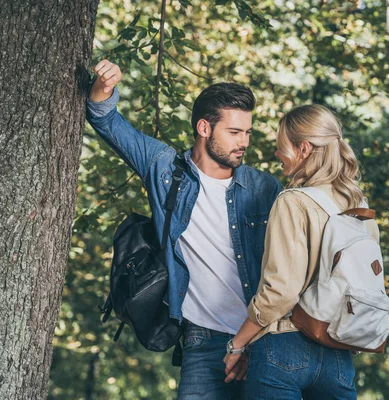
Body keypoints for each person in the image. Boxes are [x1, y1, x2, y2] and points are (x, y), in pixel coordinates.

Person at [87, 60, 283, 399]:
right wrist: (105, 89)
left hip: (264, 340)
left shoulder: (265, 188)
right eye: (234, 133)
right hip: (201, 341)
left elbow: (288, 269)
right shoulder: (164, 168)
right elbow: (106, 120)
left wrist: (253, 341)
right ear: (204, 128)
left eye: (247, 132)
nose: (244, 143)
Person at [223, 104, 363, 399]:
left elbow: (280, 293)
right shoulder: (357, 205)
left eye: (281, 146)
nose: (277, 154)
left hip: (282, 349)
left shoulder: (292, 202)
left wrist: (238, 343)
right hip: (338, 356)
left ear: (303, 148)